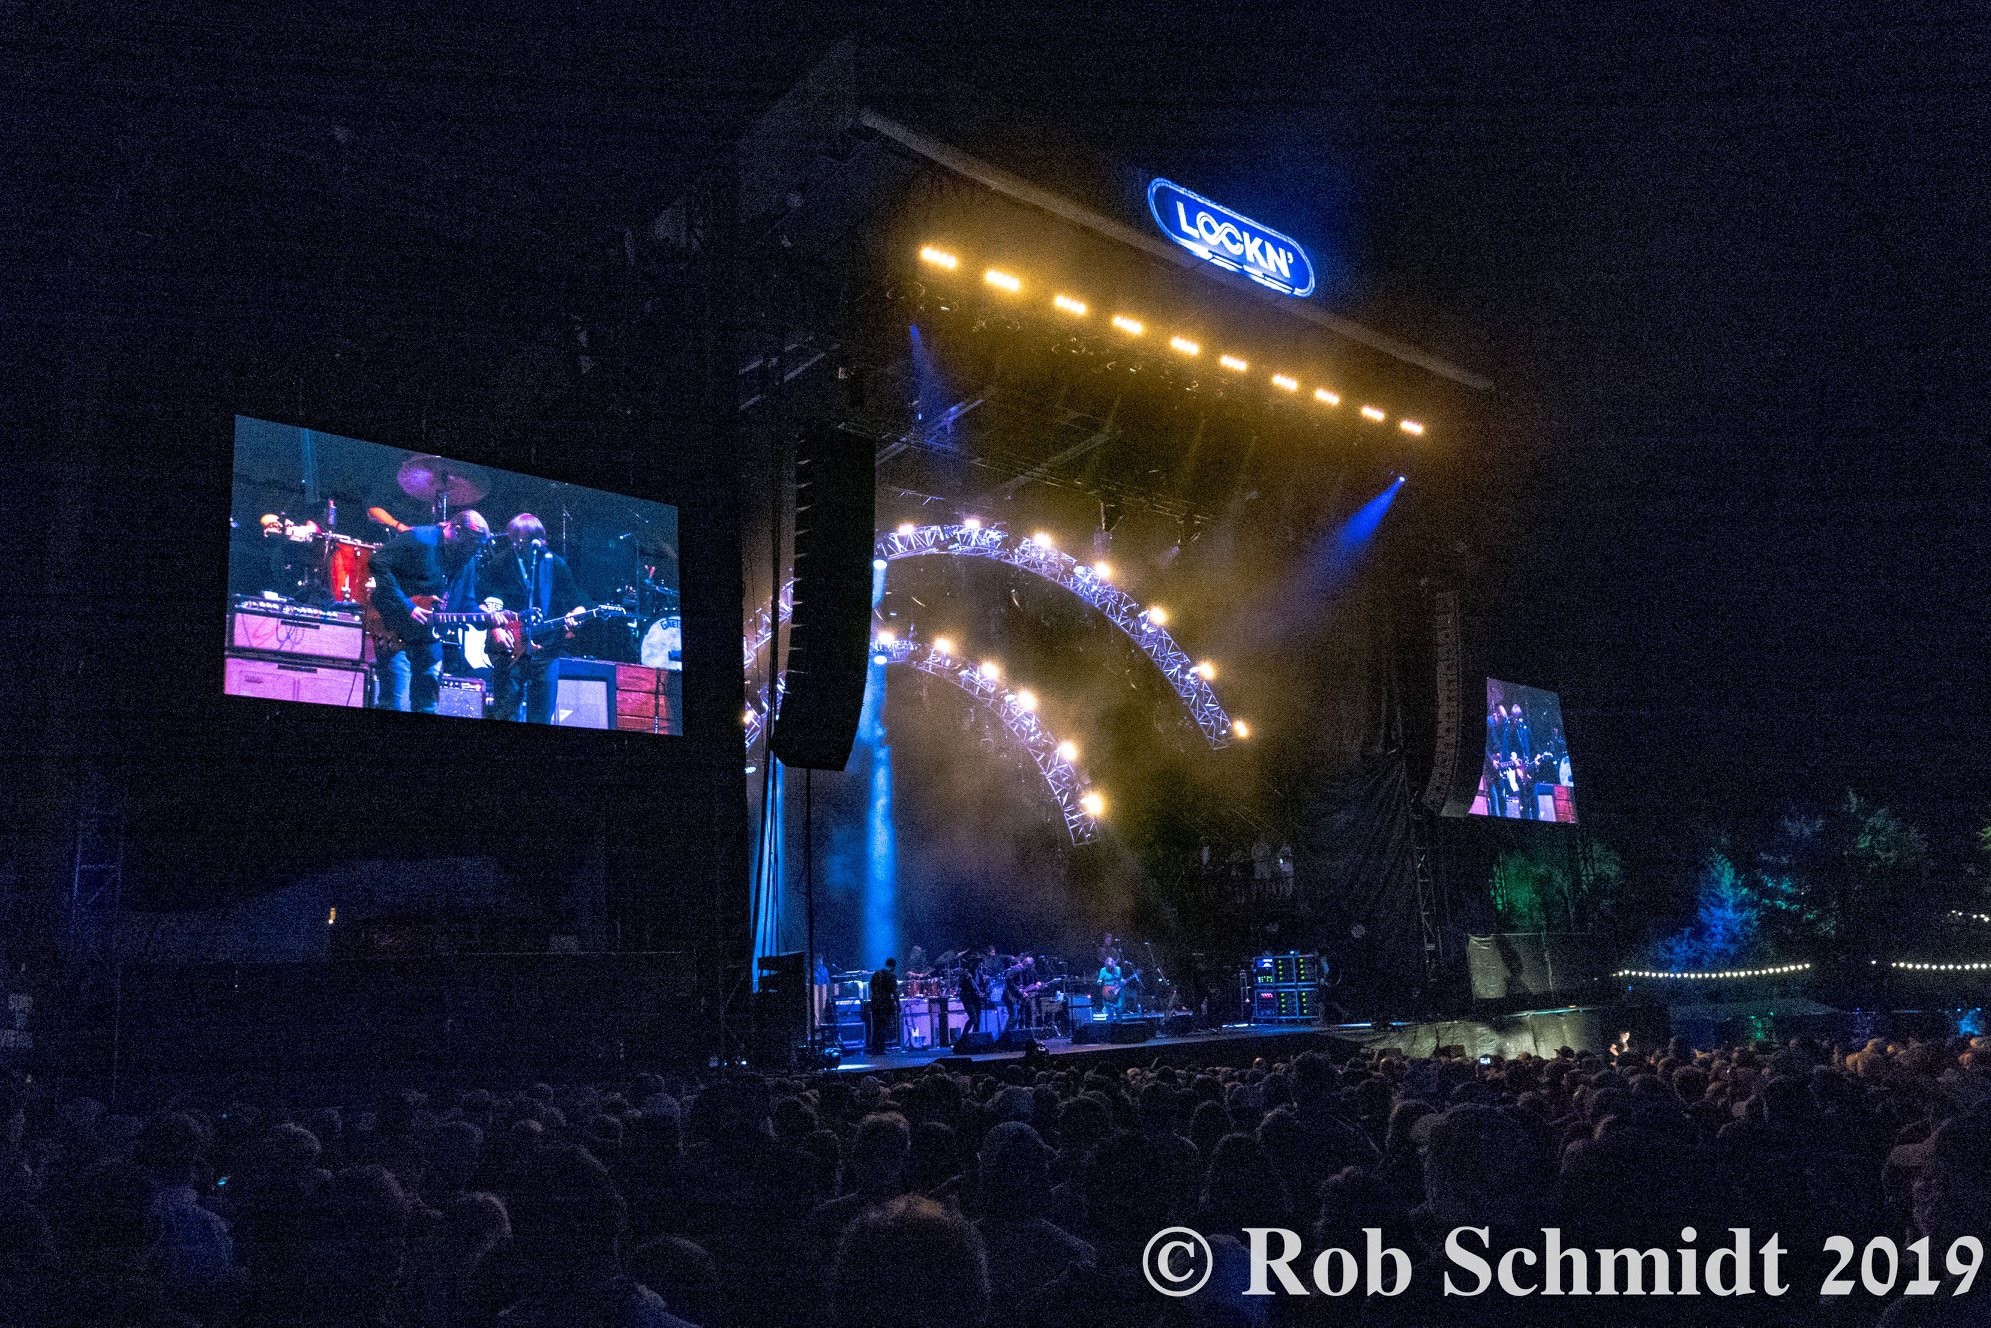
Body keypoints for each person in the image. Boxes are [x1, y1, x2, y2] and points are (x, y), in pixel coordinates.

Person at [366, 510, 492, 713]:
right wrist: (407, 606)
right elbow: (377, 562)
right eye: (472, 544)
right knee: (394, 704)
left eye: (479, 547)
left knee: (428, 707)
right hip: (394, 631)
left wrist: (488, 618)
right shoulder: (419, 539)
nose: (475, 552)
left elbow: (466, 603)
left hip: (429, 639)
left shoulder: (467, 561)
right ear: (456, 531)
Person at [483, 513, 585, 725]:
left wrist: (576, 614)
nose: (520, 545)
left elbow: (578, 601)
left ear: (540, 539)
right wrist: (495, 628)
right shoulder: (500, 563)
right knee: (504, 713)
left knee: (541, 717)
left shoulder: (555, 564)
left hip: (546, 652)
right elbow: (484, 601)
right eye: (516, 539)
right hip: (509, 648)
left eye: (527, 539)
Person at [865, 959, 899, 1055]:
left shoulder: (876, 974)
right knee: (883, 1026)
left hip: (875, 1003)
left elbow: (872, 988)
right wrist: (898, 1004)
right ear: (893, 966)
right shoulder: (891, 975)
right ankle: (881, 1048)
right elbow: (895, 992)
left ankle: (875, 1048)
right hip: (885, 1004)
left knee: (876, 1026)